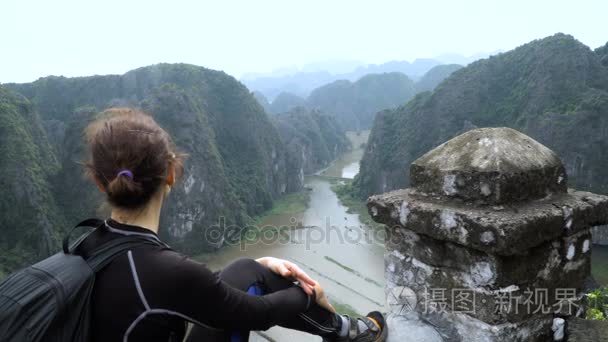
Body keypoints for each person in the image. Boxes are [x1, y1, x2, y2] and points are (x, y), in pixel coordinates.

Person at [75, 107, 388, 342]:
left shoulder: (80, 248)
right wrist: (308, 294)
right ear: (171, 173)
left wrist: (261, 263)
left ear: (98, 182)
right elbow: (258, 314)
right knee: (252, 279)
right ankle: (347, 333)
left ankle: (344, 331)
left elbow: (172, 289)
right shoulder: (164, 270)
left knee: (244, 268)